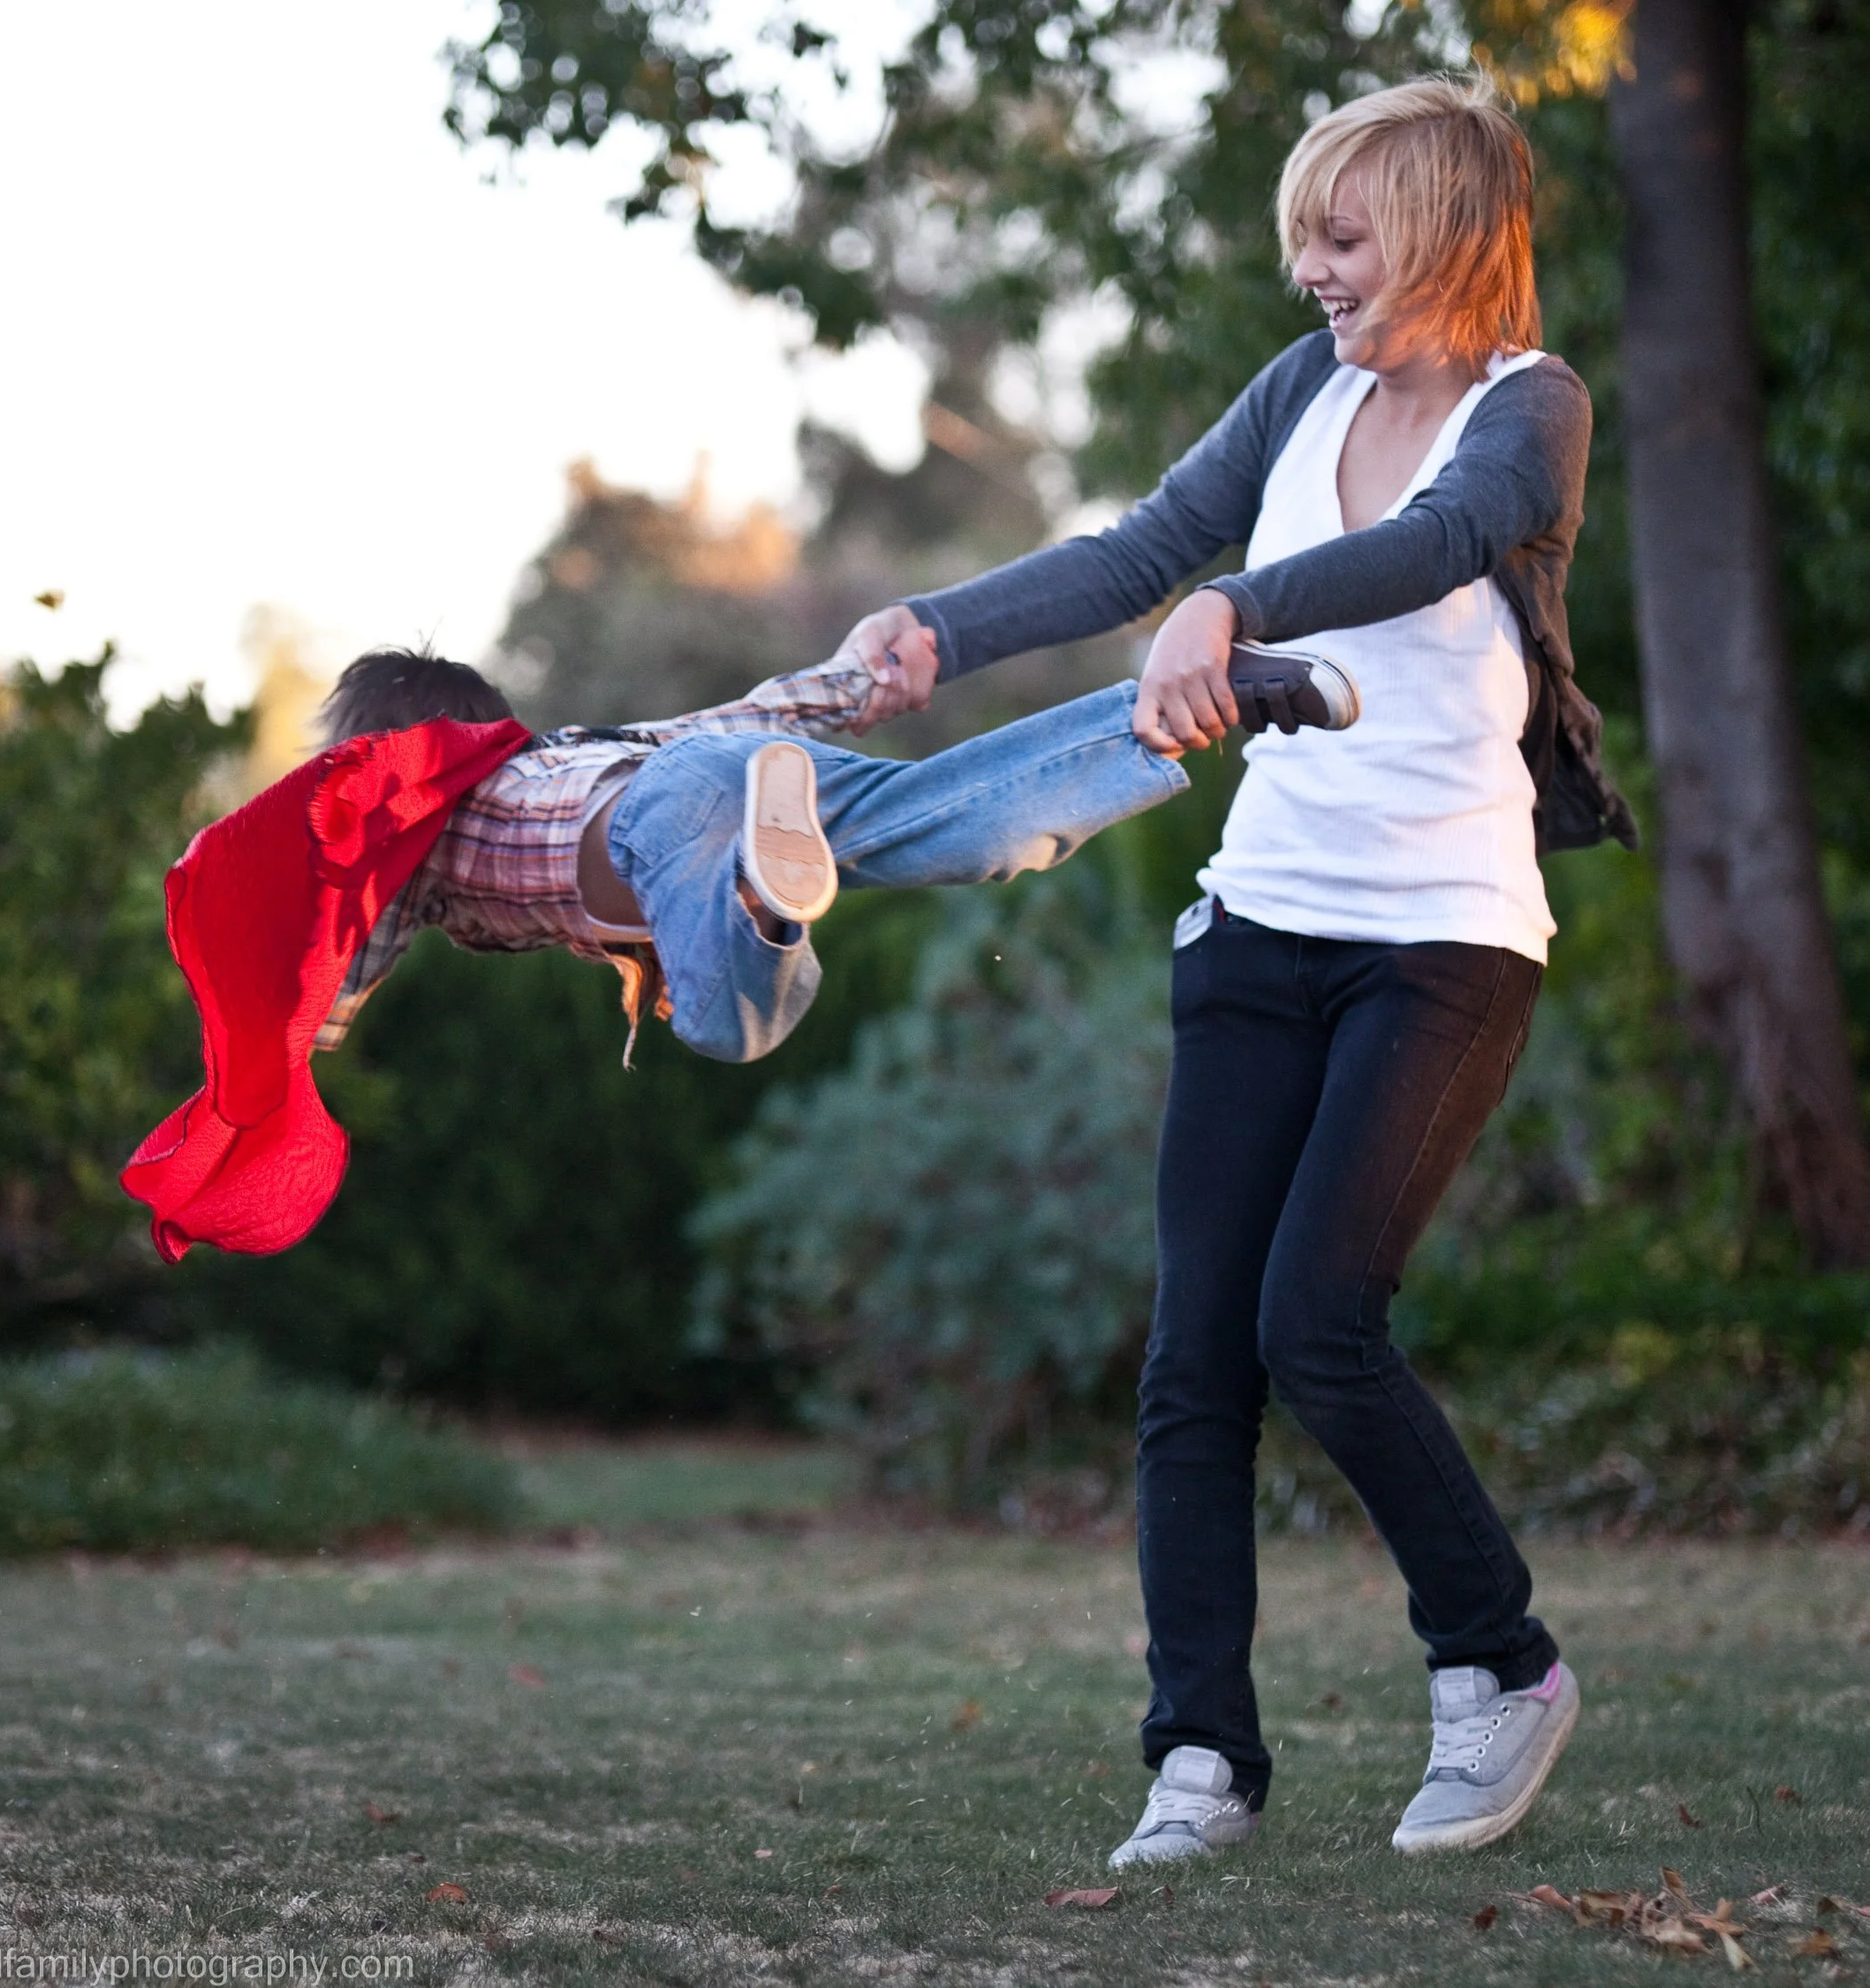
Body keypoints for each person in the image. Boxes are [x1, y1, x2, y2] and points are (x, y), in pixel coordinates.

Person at [835, 73, 1636, 1861]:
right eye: (1302, 240)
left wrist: (1241, 607)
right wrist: (934, 633)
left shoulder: (1532, 410)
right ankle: (1200, 1757)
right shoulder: (1302, 390)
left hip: (1441, 942)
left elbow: (1434, 546)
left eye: (1342, 235)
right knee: (1196, 1354)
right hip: (1264, 916)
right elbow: (1138, 550)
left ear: (1436, 224)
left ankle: (1498, 1669)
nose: (1313, 273)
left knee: (1315, 1323)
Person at [121, 638, 1356, 1264]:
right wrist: (862, 682)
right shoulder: (553, 745)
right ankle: (1200, 697)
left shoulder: (398, 825)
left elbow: (332, 957)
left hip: (655, 833)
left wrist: (276, 1022)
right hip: (707, 773)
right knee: (964, 824)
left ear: (371, 751)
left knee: (733, 1022)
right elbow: (753, 715)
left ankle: (768, 900)